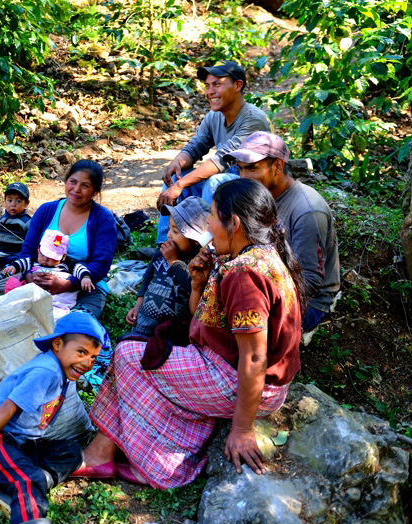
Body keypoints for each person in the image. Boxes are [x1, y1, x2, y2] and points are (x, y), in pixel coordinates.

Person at [77, 178, 304, 488]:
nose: (208, 223)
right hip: (227, 367)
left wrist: (242, 429)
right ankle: (107, 453)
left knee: (128, 356)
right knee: (142, 353)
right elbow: (204, 317)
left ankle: (148, 465)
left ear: (234, 223)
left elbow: (254, 357)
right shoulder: (253, 256)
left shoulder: (245, 273)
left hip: (241, 381)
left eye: (212, 215)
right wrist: (197, 283)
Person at [0, 312, 109, 524]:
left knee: (71, 452)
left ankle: (24, 487)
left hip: (21, 443)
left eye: (93, 357)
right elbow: (7, 409)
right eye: (81, 352)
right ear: (57, 344)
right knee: (29, 478)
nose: (87, 363)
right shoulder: (46, 371)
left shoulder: (59, 371)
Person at [224, 131, 340, 332]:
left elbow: (309, 282)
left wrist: (257, 294)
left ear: (277, 166)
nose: (244, 177)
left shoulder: (307, 210)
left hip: (308, 303)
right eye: (240, 169)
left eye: (252, 168)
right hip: (264, 282)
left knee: (240, 326)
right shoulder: (259, 197)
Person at [154, 61, 271, 244]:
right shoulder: (214, 116)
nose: (210, 92)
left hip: (253, 188)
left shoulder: (253, 119)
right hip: (229, 183)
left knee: (214, 182)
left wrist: (181, 185)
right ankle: (166, 245)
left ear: (238, 85)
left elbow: (221, 159)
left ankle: (208, 248)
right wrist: (176, 163)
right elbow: (195, 147)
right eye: (207, 86)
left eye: (217, 84)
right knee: (176, 178)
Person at [3, 160, 118, 319]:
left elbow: (101, 264)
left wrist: (68, 285)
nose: (76, 190)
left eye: (85, 186)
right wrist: (30, 276)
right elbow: (28, 251)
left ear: (95, 192)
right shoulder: (46, 211)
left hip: (86, 284)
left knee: (75, 324)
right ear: (66, 181)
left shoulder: (103, 218)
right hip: (39, 278)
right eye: (73, 182)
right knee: (16, 316)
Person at [125, 196, 211, 338]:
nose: (169, 235)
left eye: (176, 231)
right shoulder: (161, 253)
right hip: (142, 325)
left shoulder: (198, 264)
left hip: (171, 335)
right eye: (170, 228)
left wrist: (174, 262)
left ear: (195, 240)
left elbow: (193, 286)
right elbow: (147, 279)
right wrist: (137, 306)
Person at [4, 230, 85, 313]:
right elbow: (23, 263)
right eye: (43, 254)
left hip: (56, 293)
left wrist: (85, 277)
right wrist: (14, 266)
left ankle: (56, 308)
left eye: (51, 257)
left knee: (66, 296)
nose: (45, 259)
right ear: (38, 250)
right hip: (33, 292)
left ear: (63, 256)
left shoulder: (67, 264)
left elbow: (80, 269)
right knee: (13, 283)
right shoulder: (33, 261)